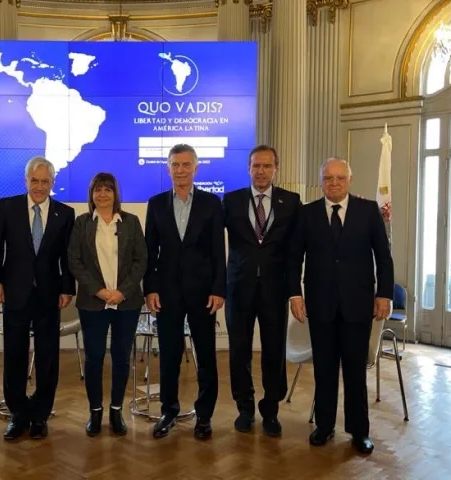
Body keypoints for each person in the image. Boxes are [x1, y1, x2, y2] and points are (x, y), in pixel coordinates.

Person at [288, 157, 393, 455]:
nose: (334, 183)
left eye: (340, 178)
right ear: (321, 181)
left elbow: (383, 257)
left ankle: (360, 431)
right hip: (320, 306)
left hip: (358, 306)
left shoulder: (368, 210)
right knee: (324, 370)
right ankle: (324, 425)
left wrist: (384, 293)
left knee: (355, 372)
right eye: (328, 178)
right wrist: (294, 294)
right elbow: (294, 258)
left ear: (350, 179)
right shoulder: (306, 214)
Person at [0, 156, 76, 441]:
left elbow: (66, 257)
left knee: (48, 357)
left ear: (52, 183)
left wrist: (67, 288)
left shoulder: (65, 213)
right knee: (15, 354)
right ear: (26, 181)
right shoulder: (7, 206)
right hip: (14, 291)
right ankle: (18, 414)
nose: (39, 187)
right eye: (34, 181)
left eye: (45, 182)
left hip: (49, 295)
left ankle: (40, 415)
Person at [144, 144, 226, 440]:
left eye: (186, 165)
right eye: (175, 165)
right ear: (168, 169)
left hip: (203, 292)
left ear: (196, 168)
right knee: (169, 354)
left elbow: (219, 250)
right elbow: (149, 252)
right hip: (166, 292)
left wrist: (219, 288)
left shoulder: (211, 203)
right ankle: (169, 411)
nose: (180, 170)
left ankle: (204, 416)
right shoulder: (155, 204)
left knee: (205, 354)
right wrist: (149, 288)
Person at [222, 145, 301, 436]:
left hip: (274, 289)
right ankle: (244, 407)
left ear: (276, 169)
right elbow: (214, 247)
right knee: (239, 350)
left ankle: (271, 410)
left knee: (273, 350)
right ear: (248, 168)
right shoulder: (231, 201)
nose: (261, 171)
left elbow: (295, 253)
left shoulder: (291, 202)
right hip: (238, 289)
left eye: (267, 166)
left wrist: (294, 291)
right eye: (256, 165)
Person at [67, 172, 147, 437]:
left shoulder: (132, 222)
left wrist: (122, 292)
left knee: (122, 357)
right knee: (94, 357)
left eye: (107, 189)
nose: (102, 194)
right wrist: (99, 291)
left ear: (116, 193)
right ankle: (95, 412)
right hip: (93, 303)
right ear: (91, 194)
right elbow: (75, 261)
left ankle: (115, 411)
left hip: (127, 302)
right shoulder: (82, 224)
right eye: (97, 190)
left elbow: (141, 261)